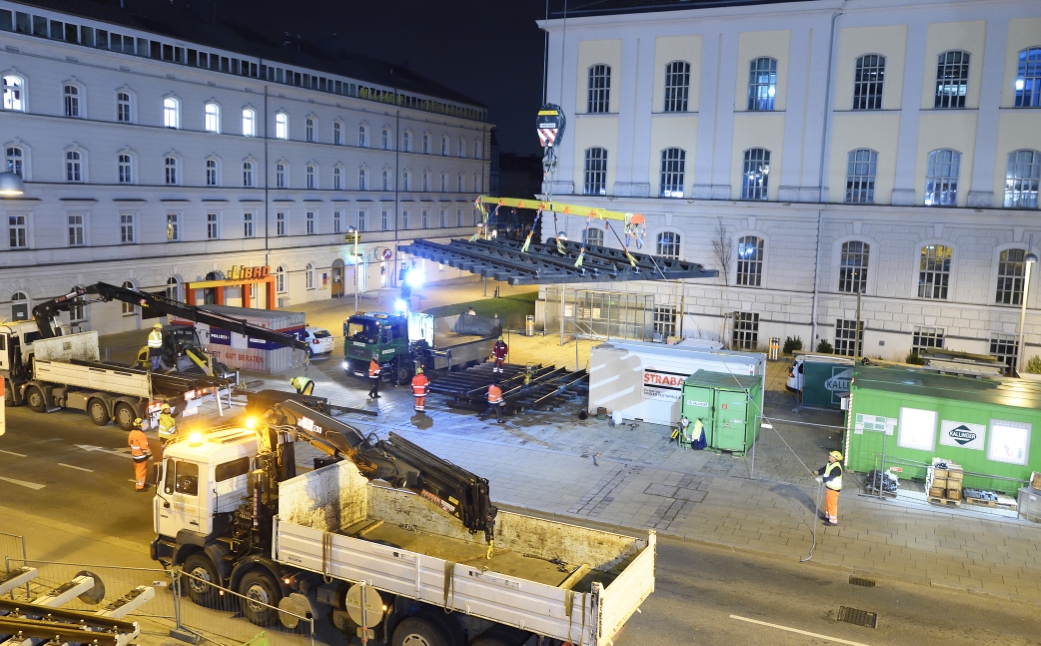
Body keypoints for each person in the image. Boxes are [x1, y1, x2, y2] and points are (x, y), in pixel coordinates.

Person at [816, 450, 844, 526]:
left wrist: (822, 480)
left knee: (832, 504)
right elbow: (823, 469)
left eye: (831, 456)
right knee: (829, 502)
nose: (829, 456)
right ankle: (828, 516)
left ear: (835, 458)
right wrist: (817, 472)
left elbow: (831, 477)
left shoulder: (837, 468)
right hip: (830, 488)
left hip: (834, 489)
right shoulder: (830, 464)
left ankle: (833, 521)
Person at [128, 418, 153, 492]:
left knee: (138, 470)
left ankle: (142, 483)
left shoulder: (132, 432)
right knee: (141, 471)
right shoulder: (141, 435)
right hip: (141, 456)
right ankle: (139, 486)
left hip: (135, 455)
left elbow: (129, 443)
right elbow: (144, 447)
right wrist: (150, 454)